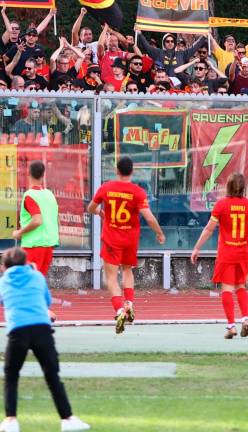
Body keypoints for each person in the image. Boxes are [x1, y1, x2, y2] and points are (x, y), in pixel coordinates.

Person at [0, 248, 91, 432]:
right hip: (42, 330)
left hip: (18, 331)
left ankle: (11, 421)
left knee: (11, 376)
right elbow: (46, 301)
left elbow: (3, 300)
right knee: (52, 376)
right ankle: (68, 419)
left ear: (4, 266)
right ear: (26, 263)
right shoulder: (37, 277)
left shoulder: (3, 282)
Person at [87, 156, 165, 334]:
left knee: (111, 278)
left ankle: (119, 310)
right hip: (130, 239)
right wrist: (159, 233)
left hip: (111, 239)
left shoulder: (106, 188)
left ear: (116, 170)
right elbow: (148, 216)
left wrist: (101, 212)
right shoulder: (137, 192)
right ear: (132, 172)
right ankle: (129, 303)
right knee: (128, 270)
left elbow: (91, 207)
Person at [190, 174, 248, 339]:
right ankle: (246, 318)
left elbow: (209, 229)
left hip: (227, 253)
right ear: (243, 188)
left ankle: (231, 326)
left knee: (227, 289)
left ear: (227, 187)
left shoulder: (221, 206)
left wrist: (196, 248)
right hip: (243, 253)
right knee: (241, 286)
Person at [11, 161, 58, 277]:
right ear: (43, 175)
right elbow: (56, 219)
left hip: (34, 245)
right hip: (48, 245)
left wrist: (19, 232)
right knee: (38, 280)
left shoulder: (30, 195)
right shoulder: (50, 195)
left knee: (28, 281)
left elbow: (37, 220)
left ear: (29, 174)